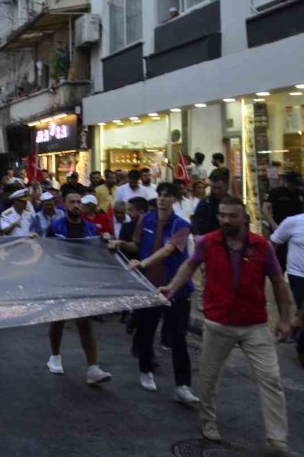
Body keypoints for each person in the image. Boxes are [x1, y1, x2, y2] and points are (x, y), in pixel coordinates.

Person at [160, 196, 293, 452]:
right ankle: (208, 422)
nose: (227, 220)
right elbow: (189, 266)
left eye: (233, 216)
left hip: (254, 325)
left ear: (244, 217)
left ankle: (277, 439)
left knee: (271, 379)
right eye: (222, 215)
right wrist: (173, 286)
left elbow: (278, 282)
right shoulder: (209, 242)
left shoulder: (261, 246)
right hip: (218, 323)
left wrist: (285, 319)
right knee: (209, 379)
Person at [112, 183, 198, 402]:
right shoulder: (146, 220)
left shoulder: (181, 225)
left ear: (176, 200)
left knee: (178, 338)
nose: (161, 199)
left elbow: (168, 250)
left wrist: (143, 262)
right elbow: (135, 245)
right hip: (148, 286)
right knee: (146, 332)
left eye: (167, 196)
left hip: (175, 289)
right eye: (160, 195)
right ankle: (145, 370)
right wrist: (120, 243)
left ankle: (183, 386)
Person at [44, 191, 111, 385]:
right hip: (61, 279)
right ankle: (55, 356)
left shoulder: (90, 229)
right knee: (59, 319)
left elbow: (98, 252)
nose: (76, 205)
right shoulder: (55, 227)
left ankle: (93, 367)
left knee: (85, 320)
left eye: (79, 202)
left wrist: (106, 240)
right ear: (64, 205)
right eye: (72, 202)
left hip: (82, 280)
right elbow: (46, 250)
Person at [270, 211, 304, 366]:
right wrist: (272, 268)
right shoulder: (293, 222)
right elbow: (274, 242)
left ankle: (296, 329)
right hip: (298, 275)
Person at [263, 172, 303, 272]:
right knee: (279, 261)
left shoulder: (300, 193)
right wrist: (272, 224)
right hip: (279, 229)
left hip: (296, 232)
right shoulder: (276, 192)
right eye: (293, 184)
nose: (295, 187)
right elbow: (265, 208)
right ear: (287, 182)